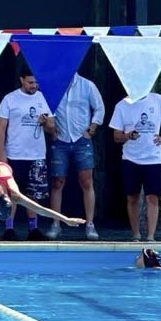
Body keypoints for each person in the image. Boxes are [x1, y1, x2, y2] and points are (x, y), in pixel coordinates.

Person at [109, 89, 161, 242]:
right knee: (132, 197)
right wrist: (128, 135)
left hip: (153, 158)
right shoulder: (122, 105)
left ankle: (151, 236)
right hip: (130, 158)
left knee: (152, 197)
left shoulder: (158, 100)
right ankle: (135, 234)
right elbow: (116, 136)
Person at [0, 73, 57, 240]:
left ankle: (33, 228)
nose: (34, 86)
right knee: (11, 192)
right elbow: (1, 127)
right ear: (22, 80)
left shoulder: (43, 98)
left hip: (36, 154)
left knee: (34, 193)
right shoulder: (10, 99)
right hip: (14, 153)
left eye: (36, 83)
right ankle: (9, 228)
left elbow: (52, 128)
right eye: (30, 82)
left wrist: (45, 122)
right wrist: (1, 152)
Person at [46, 72, 104, 240]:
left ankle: (90, 224)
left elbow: (99, 107)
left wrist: (92, 128)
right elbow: (46, 109)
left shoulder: (87, 85)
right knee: (57, 182)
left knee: (86, 181)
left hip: (81, 139)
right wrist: (52, 131)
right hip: (60, 139)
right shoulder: (53, 84)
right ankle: (56, 223)